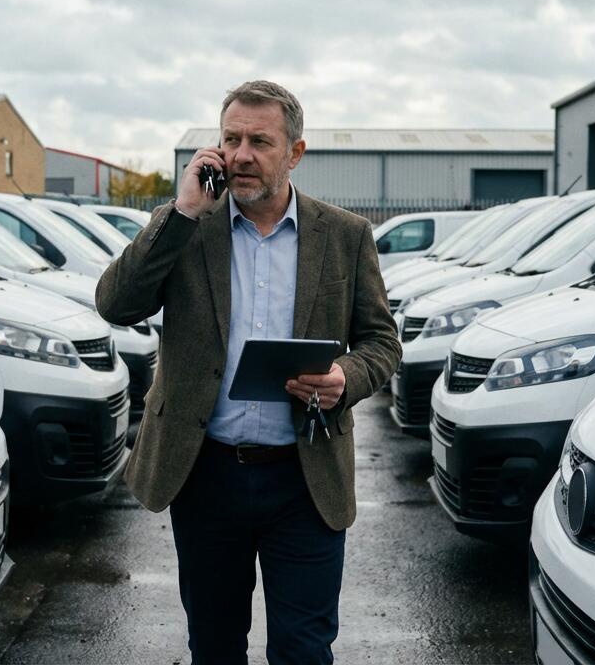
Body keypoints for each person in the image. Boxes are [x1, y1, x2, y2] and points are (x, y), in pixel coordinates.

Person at [96, 80, 401, 664]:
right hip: (207, 474)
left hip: (305, 480)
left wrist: (344, 377)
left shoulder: (344, 235)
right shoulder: (189, 228)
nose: (240, 154)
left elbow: (382, 343)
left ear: (295, 152)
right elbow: (115, 303)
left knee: (304, 650)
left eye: (259, 141)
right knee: (213, 646)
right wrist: (182, 210)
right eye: (231, 139)